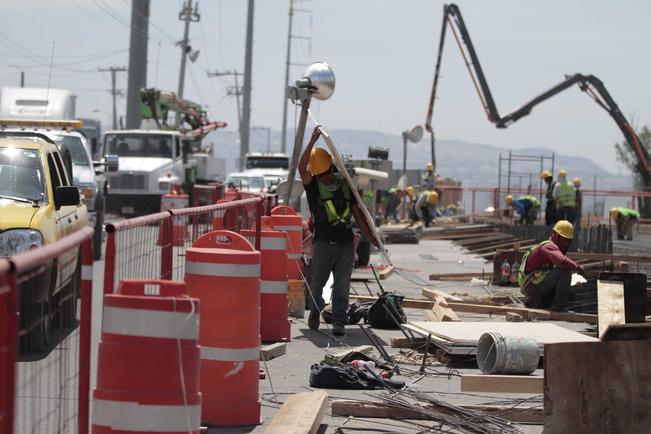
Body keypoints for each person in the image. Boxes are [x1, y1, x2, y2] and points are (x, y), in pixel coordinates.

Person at [299, 127, 379, 337]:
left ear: (332, 169)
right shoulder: (313, 186)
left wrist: (370, 235)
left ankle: (339, 322)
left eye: (326, 172)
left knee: (342, 285)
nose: (324, 177)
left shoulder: (344, 186)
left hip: (344, 242)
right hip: (323, 243)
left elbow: (358, 212)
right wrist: (311, 141)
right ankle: (315, 313)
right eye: (320, 174)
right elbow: (301, 168)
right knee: (318, 283)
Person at [517, 220, 584, 311]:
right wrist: (577, 267)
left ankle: (540, 302)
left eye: (568, 241)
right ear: (555, 236)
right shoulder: (548, 246)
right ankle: (559, 308)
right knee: (565, 270)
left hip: (533, 286)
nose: (566, 244)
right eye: (564, 240)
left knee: (571, 294)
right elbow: (562, 261)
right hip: (532, 288)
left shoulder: (551, 248)